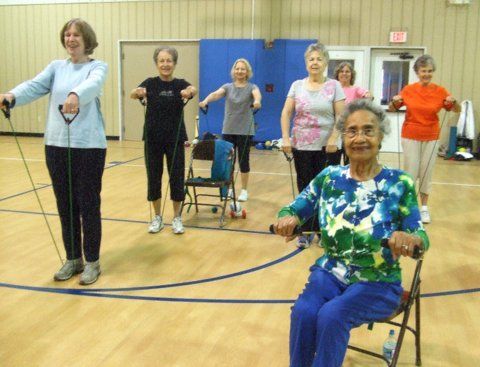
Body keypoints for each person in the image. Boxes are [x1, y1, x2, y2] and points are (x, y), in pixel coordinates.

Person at [272, 99, 429, 367]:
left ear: (381, 137)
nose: (360, 138)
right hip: (330, 273)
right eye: (352, 131)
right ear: (343, 137)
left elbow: (421, 237)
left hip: (378, 282)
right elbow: (294, 208)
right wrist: (288, 218)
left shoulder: (399, 183)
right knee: (304, 312)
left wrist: (410, 239)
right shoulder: (329, 177)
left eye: (368, 131)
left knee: (333, 315)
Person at [0, 18, 108, 285]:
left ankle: (92, 261)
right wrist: (11, 95)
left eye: (76, 35)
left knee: (88, 204)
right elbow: (34, 86)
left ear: (87, 40)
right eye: (67, 35)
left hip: (88, 146)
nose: (71, 39)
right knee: (65, 204)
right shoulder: (56, 67)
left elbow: (92, 86)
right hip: (56, 145)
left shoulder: (97, 66)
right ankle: (73, 259)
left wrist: (74, 95)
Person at [280, 43, 345, 248]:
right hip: (302, 144)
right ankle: (307, 230)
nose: (314, 62)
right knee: (305, 188)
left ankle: (326, 231)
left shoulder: (334, 86)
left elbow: (341, 116)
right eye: (311, 59)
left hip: (328, 147)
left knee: (328, 190)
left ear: (325, 62)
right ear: (306, 63)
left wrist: (334, 138)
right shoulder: (297, 85)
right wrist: (285, 138)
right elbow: (286, 113)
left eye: (319, 59)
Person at [130, 46, 197, 234]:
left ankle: (177, 218)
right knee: (154, 177)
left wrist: (189, 92)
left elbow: (193, 89)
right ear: (157, 63)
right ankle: (157, 217)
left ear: (174, 63)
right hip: (152, 139)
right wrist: (138, 92)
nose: (165, 64)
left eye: (169, 61)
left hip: (175, 139)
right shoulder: (150, 83)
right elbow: (134, 93)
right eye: (162, 61)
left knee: (176, 178)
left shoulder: (179, 84)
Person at [389, 54, 460, 224]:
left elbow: (457, 109)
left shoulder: (440, 91)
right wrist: (395, 100)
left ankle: (425, 208)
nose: (426, 74)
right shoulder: (408, 90)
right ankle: (407, 207)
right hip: (410, 135)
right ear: (417, 72)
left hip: (431, 136)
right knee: (410, 173)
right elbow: (393, 108)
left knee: (426, 173)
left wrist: (454, 101)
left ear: (432, 72)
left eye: (429, 71)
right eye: (423, 71)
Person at [198, 58, 262, 202]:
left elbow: (257, 95)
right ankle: (229, 187)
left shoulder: (252, 87)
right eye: (237, 68)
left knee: (243, 161)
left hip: (245, 130)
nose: (239, 71)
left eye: (242, 69)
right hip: (229, 129)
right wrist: (206, 101)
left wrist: (257, 102)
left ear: (247, 72)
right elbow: (216, 94)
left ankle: (244, 190)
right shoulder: (227, 87)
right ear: (234, 71)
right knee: (228, 161)